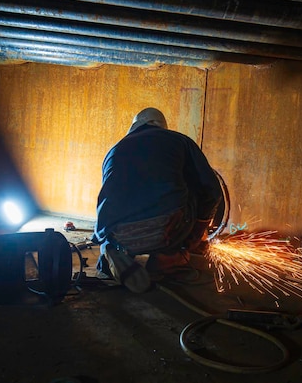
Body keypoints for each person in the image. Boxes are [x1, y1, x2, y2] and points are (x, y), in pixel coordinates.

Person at [92, 107, 222, 292]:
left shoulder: (114, 149)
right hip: (166, 230)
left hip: (117, 234)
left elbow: (108, 198)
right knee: (191, 186)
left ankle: (110, 254)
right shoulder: (179, 140)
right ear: (162, 127)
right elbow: (212, 189)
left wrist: (104, 237)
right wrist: (199, 231)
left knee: (114, 213)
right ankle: (167, 258)